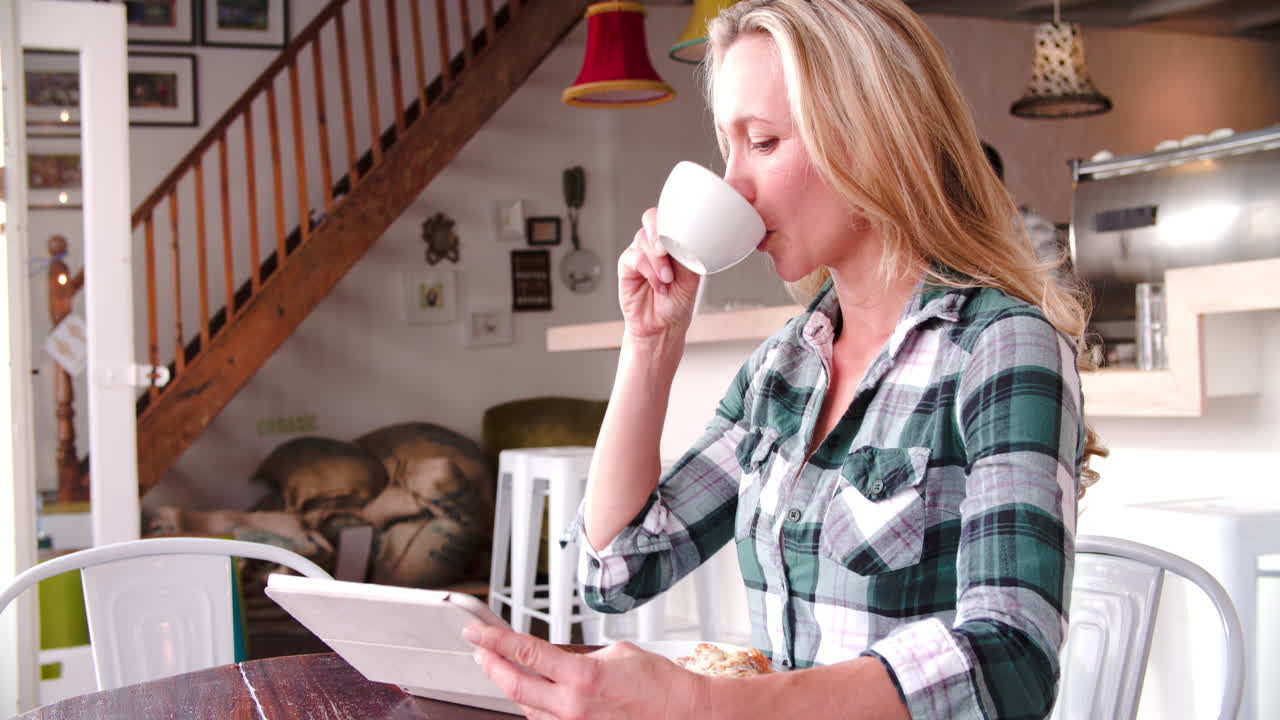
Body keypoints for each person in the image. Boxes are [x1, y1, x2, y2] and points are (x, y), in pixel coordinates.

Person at [465, 1, 1105, 718]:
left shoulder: (1000, 347)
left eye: (762, 142)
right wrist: (649, 347)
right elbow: (617, 570)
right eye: (728, 147)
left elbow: (1009, 661)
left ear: (870, 138)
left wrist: (705, 705)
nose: (734, 184)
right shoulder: (785, 369)